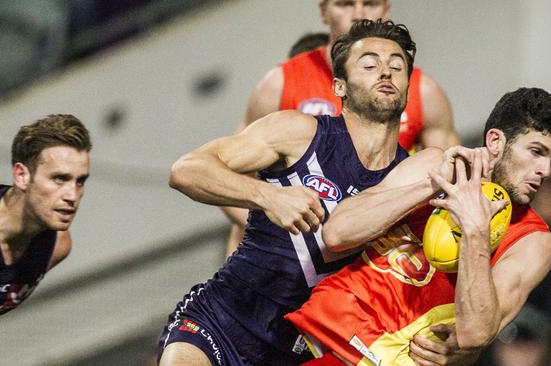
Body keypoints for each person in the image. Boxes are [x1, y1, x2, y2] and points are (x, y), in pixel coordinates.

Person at [158, 19, 422, 365]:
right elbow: (186, 170)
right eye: (370, 65)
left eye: (396, 66)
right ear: (339, 86)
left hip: (302, 354)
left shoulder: (409, 177)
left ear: (407, 87)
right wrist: (269, 196)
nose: (385, 72)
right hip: (220, 321)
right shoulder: (299, 133)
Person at [285, 87, 551, 365]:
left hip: (383, 357)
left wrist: (475, 231)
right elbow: (337, 233)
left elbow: (475, 334)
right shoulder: (435, 163)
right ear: (496, 141)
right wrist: (430, 186)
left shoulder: (534, 241)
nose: (546, 170)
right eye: (537, 152)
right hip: (318, 335)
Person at [222, 0, 460, 257]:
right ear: (324, 11)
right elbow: (227, 173)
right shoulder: (280, 83)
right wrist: (279, 229)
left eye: (369, 3)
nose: (358, 13)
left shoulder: (423, 92)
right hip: (285, 252)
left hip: (376, 254)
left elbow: (452, 184)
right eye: (345, 4)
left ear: (386, 9)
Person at [0, 114, 91, 317]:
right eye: (59, 179)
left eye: (80, 181)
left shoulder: (58, 244)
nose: (72, 196)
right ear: (22, 176)